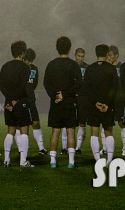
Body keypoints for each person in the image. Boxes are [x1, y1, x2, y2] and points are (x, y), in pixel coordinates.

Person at [43, 36, 82, 169]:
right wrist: (64, 94)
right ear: (70, 48)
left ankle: (52, 161)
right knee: (70, 131)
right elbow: (79, 83)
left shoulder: (51, 64)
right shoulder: (73, 64)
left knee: (55, 132)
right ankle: (71, 162)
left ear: (57, 48)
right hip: (70, 102)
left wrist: (55, 95)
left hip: (56, 103)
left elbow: (46, 83)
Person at [0, 40, 34, 168]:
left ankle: (6, 160)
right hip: (21, 102)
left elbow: (1, 85)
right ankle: (23, 161)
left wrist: (10, 99)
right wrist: (16, 100)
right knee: (24, 131)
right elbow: (24, 86)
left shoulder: (5, 66)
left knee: (10, 131)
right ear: (23, 52)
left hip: (8, 103)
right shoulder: (26, 67)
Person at [83, 44, 118, 164]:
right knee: (108, 132)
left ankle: (97, 159)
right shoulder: (111, 68)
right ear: (107, 53)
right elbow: (114, 88)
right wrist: (107, 103)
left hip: (94, 106)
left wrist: (95, 102)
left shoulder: (90, 68)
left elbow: (86, 89)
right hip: (107, 106)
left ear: (96, 53)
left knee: (94, 132)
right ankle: (109, 159)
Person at [22, 48, 48, 154]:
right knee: (21, 126)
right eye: (28, 60)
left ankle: (41, 148)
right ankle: (21, 149)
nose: (30, 62)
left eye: (31, 60)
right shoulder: (19, 68)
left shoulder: (34, 69)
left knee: (36, 123)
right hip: (21, 100)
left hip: (31, 100)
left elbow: (35, 83)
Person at [107, 45, 125, 155]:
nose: (108, 57)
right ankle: (105, 148)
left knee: (121, 123)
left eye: (110, 55)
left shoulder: (122, 67)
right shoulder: (107, 67)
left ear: (116, 55)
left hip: (120, 99)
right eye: (107, 55)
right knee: (107, 123)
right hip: (109, 99)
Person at [73, 48, 89, 154]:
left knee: (82, 122)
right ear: (75, 56)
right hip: (72, 97)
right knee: (70, 123)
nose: (80, 58)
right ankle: (65, 148)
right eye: (79, 56)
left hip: (83, 98)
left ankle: (78, 148)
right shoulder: (71, 66)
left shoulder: (87, 68)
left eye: (82, 56)